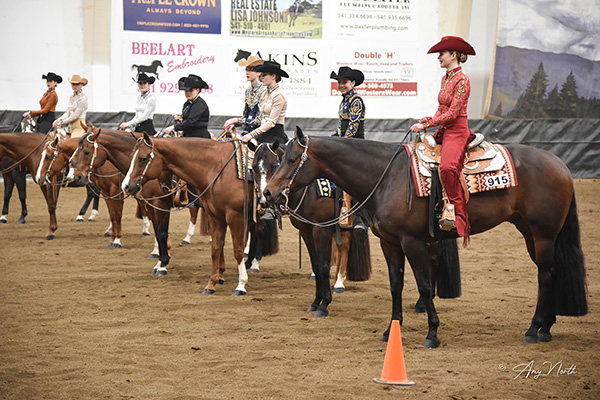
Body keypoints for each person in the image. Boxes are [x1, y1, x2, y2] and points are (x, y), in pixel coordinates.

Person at [410, 35, 476, 243]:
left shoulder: (463, 80)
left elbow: (453, 113)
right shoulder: (445, 78)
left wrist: (426, 125)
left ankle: (457, 214)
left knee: (447, 168)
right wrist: (429, 118)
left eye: (442, 54)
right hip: (445, 130)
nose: (439, 57)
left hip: (457, 131)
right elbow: (442, 109)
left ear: (454, 55)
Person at [330, 66, 368, 231]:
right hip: (346, 143)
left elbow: (352, 128)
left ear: (353, 83)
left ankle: (360, 219)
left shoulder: (356, 101)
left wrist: (340, 143)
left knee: (356, 180)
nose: (341, 85)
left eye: (344, 82)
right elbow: (341, 128)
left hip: (355, 145)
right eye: (339, 82)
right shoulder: (344, 101)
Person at [240, 61, 289, 145]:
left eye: (264, 75)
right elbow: (260, 119)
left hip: (274, 136)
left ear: (273, 76)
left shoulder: (279, 95)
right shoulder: (265, 93)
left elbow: (271, 123)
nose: (261, 78)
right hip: (262, 134)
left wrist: (251, 135)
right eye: (261, 75)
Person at [223, 56, 266, 137]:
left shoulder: (263, 91)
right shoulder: (248, 90)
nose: (247, 72)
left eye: (251, 70)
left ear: (259, 73)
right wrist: (235, 123)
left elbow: (260, 120)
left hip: (259, 132)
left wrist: (237, 120)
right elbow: (245, 114)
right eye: (247, 69)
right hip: (247, 130)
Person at [163, 74, 210, 138]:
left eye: (191, 91)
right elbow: (188, 119)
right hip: (188, 136)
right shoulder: (187, 103)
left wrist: (173, 127)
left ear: (197, 90)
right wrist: (179, 119)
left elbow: (191, 122)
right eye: (186, 91)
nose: (188, 93)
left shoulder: (200, 103)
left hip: (199, 138)